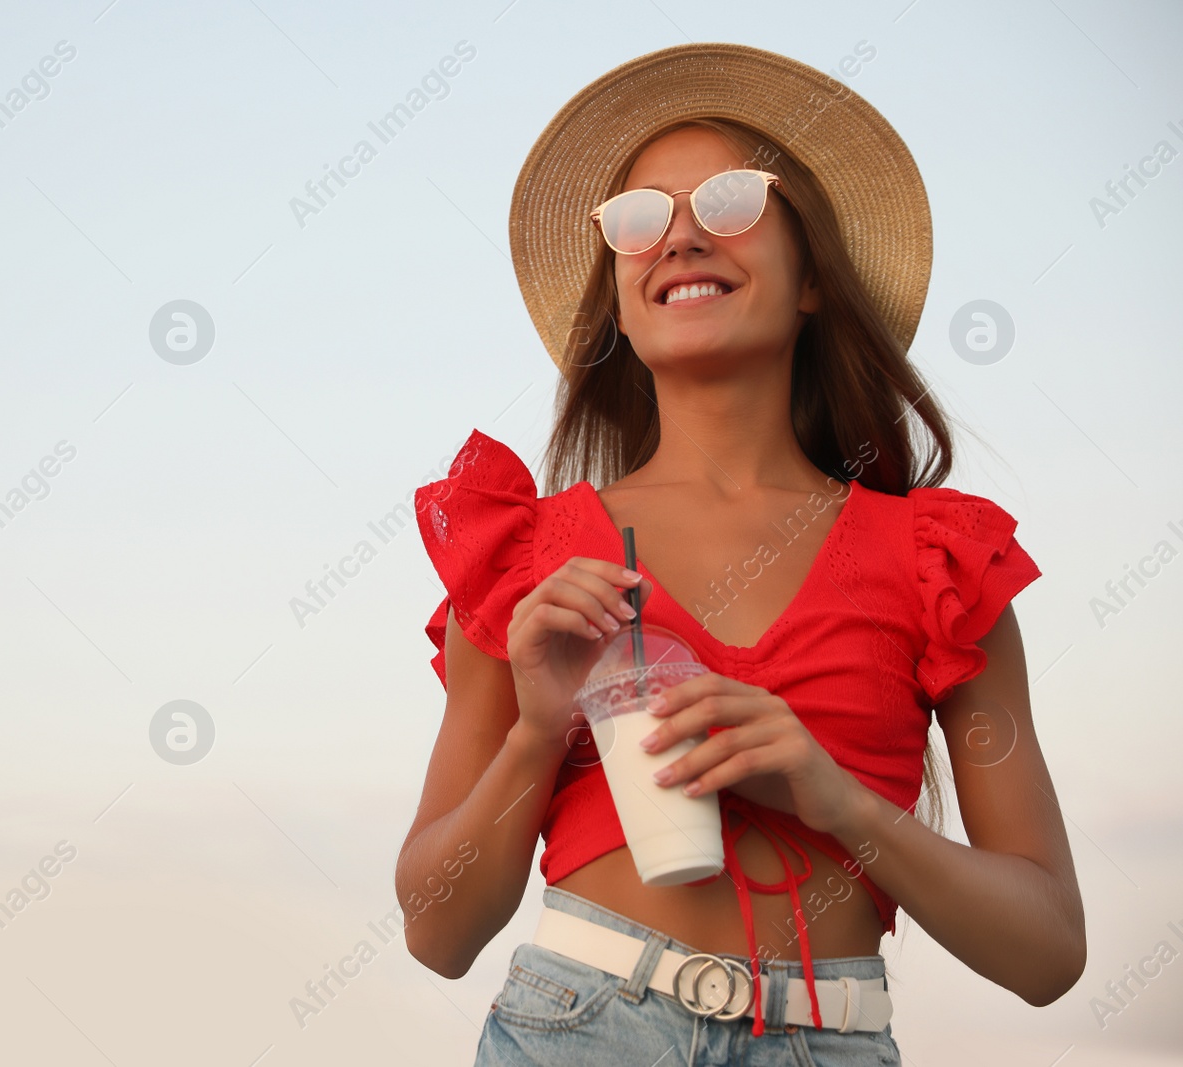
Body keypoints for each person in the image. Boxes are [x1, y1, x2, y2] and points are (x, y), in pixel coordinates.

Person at [395, 42, 1086, 1066]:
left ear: (811, 277)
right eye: (636, 219)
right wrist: (539, 728)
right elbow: (435, 929)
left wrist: (830, 792)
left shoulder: (937, 561)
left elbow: (1047, 949)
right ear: (620, 301)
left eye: (726, 201)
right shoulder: (526, 557)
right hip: (579, 1029)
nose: (676, 236)